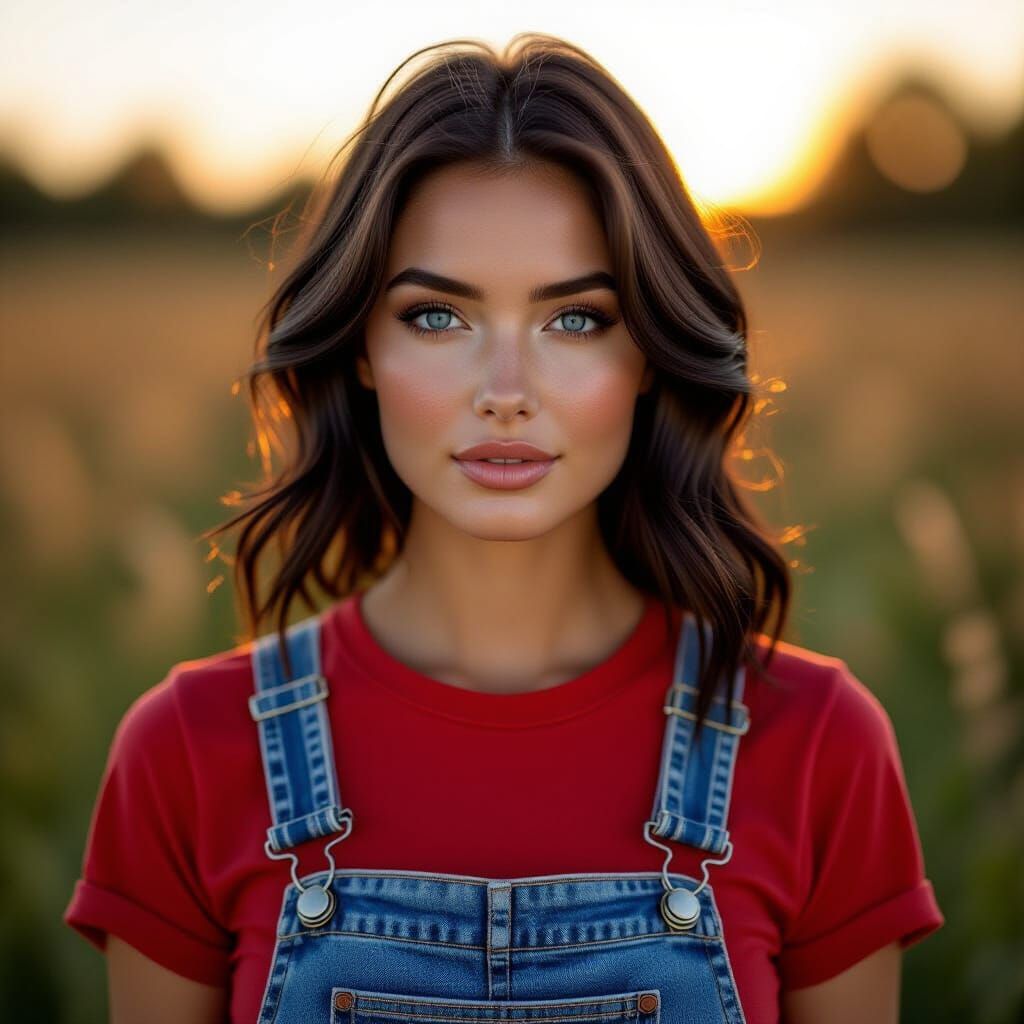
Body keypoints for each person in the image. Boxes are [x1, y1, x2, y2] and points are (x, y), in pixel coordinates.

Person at [63, 33, 944, 1024]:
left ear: (650, 352)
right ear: (361, 346)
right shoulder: (186, 752)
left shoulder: (818, 744)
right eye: (438, 317)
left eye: (576, 320)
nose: (507, 394)